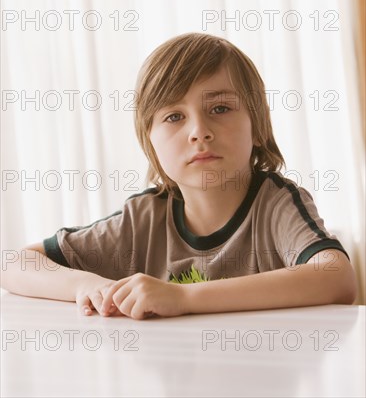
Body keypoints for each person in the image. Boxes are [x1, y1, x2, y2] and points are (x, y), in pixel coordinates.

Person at [1, 33, 357, 319]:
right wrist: (84, 285)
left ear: (258, 126)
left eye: (220, 108)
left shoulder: (275, 203)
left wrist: (184, 296)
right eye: (174, 117)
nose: (199, 132)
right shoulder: (142, 219)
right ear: (150, 142)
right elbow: (13, 263)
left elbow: (336, 277)